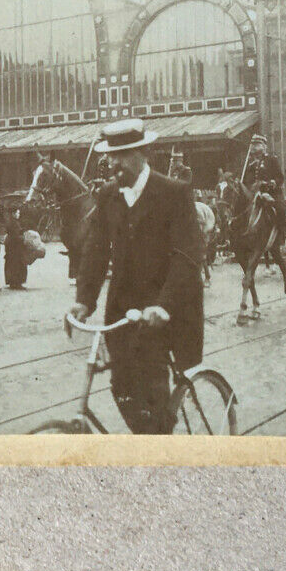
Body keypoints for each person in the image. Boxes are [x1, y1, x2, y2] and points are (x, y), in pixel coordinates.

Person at [71, 119, 205, 435]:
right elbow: (95, 250)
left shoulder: (174, 193)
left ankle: (159, 453)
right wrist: (83, 301)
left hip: (165, 310)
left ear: (142, 153)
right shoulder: (107, 195)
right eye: (109, 155)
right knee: (122, 386)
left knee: (153, 390)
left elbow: (187, 256)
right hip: (125, 311)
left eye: (121, 154)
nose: (112, 162)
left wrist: (164, 306)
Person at [2, 201, 28, 289]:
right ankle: (16, 283)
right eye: (17, 212)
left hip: (12, 247)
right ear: (13, 213)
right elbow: (15, 236)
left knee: (12, 264)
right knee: (16, 264)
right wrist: (23, 238)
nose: (18, 214)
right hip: (15, 247)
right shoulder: (13, 223)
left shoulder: (13, 221)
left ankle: (14, 282)